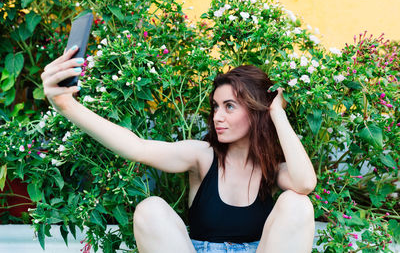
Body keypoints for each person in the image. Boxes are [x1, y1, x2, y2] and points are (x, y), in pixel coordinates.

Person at [41, 46, 317, 253]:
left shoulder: (273, 169)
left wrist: (276, 114)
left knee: (297, 202)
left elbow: (305, 183)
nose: (218, 116)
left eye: (229, 106)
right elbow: (138, 148)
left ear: (256, 111)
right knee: (150, 208)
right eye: (216, 106)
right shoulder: (202, 155)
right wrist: (67, 106)